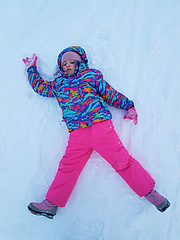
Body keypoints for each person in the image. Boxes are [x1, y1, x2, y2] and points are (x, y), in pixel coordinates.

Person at [23, 46, 170, 219]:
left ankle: (150, 193)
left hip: (99, 126)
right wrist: (31, 69)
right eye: (64, 63)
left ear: (80, 63)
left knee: (122, 161)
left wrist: (128, 106)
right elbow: (40, 88)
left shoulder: (91, 76)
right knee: (67, 168)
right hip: (77, 134)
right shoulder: (58, 84)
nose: (68, 65)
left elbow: (109, 94)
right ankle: (51, 204)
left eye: (72, 62)